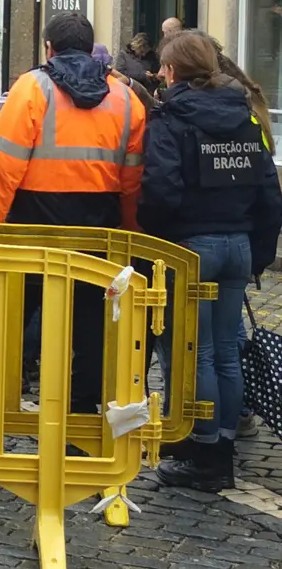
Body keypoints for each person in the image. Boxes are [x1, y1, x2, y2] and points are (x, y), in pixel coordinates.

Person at [0, 12, 145, 449]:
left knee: (9, 322)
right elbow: (133, 179)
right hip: (97, 228)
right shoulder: (124, 99)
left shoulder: (32, 88)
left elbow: (1, 162)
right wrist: (131, 234)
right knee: (90, 329)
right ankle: (80, 426)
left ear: (48, 48)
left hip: (32, 224)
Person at [139, 31, 281, 492]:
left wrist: (155, 242)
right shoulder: (244, 117)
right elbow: (267, 192)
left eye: (163, 67)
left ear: (174, 71)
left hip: (191, 247)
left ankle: (205, 455)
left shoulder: (170, 118)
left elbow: (161, 189)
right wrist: (259, 252)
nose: (160, 74)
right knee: (225, 352)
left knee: (196, 352)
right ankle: (218, 445)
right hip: (237, 245)